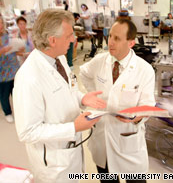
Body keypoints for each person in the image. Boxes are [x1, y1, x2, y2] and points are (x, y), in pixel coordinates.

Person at [13, 9, 106, 182]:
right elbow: (27, 132)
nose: (73, 39)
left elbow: (66, 89)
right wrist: (73, 128)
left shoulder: (59, 58)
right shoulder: (28, 77)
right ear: (52, 40)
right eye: (69, 35)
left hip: (70, 152)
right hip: (53, 165)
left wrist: (82, 98)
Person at [80, 19, 156, 182]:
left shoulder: (144, 70)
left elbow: (148, 105)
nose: (110, 42)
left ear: (131, 43)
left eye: (117, 38)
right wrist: (93, 95)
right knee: (107, 178)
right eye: (110, 36)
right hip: (102, 136)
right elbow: (84, 74)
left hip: (128, 136)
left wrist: (136, 116)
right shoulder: (100, 60)